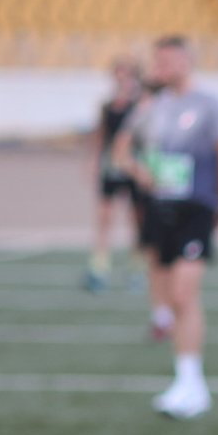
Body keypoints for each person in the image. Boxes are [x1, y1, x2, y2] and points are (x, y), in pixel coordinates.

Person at [112, 35, 218, 420]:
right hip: (160, 208)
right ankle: (185, 382)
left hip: (195, 209)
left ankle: (193, 382)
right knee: (169, 296)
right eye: (158, 62)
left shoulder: (209, 104)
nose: (160, 69)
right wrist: (140, 172)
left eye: (166, 61)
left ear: (186, 61)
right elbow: (121, 150)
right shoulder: (152, 106)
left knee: (184, 295)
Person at [84, 56, 146, 293]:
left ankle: (136, 268)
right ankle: (100, 266)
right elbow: (100, 136)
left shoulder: (141, 106)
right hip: (111, 167)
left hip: (134, 168)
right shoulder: (108, 106)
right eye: (119, 74)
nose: (122, 79)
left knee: (136, 219)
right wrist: (93, 162)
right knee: (105, 218)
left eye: (127, 74)